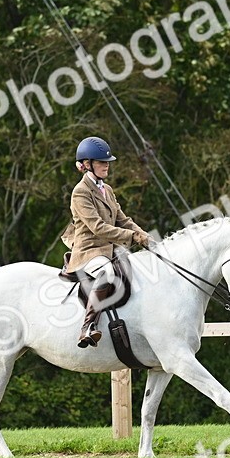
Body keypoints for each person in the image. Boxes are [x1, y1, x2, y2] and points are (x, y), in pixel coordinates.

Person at [61, 136, 152, 348]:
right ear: (86, 165)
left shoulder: (107, 190)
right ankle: (88, 327)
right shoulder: (80, 192)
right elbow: (97, 227)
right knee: (107, 273)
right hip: (89, 251)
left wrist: (144, 235)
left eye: (107, 162)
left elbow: (123, 219)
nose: (107, 165)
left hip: (109, 249)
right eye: (102, 162)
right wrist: (132, 237)